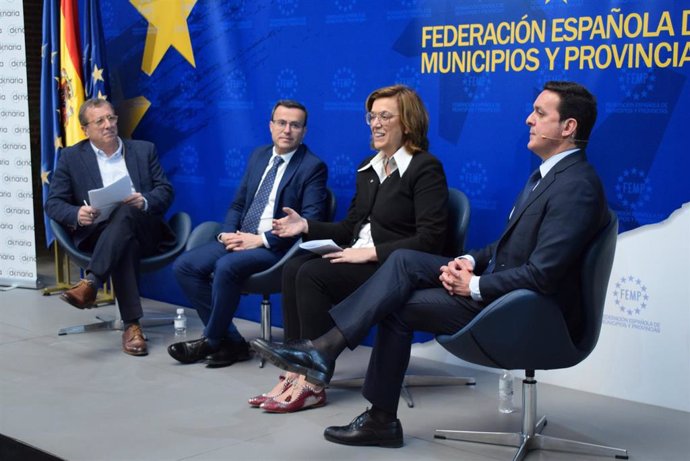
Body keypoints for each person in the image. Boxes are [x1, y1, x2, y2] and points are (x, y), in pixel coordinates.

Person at [251, 81, 609, 447]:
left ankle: (327, 356)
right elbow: (505, 246)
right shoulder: (546, 176)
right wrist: (467, 261)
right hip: (505, 295)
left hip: (534, 314)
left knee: (395, 277)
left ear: (568, 127)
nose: (528, 119)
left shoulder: (576, 185)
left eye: (540, 113)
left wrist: (472, 285)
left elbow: (543, 274)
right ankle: (377, 415)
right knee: (399, 292)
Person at [248, 84, 449, 413]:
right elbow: (350, 227)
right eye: (372, 116)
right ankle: (294, 371)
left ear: (408, 123)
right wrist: (306, 226)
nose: (375, 123)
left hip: (394, 268)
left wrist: (367, 253)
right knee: (295, 266)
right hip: (362, 258)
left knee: (313, 274)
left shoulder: (425, 168)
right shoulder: (369, 167)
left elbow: (430, 240)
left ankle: (313, 382)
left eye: (385, 116)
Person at [168, 100, 328, 368]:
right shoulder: (259, 156)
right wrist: (228, 234)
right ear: (271, 126)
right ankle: (231, 341)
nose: (287, 130)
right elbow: (238, 204)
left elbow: (310, 221)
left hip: (276, 250)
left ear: (304, 131)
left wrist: (262, 239)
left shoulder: (312, 167)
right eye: (281, 123)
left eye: (295, 125)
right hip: (242, 237)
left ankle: (211, 340)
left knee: (225, 266)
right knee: (185, 266)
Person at [45, 98, 176, 357]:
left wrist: (145, 200)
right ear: (85, 129)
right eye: (100, 121)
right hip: (98, 233)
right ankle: (132, 325)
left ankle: (92, 282)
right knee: (125, 242)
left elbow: (165, 190)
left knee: (127, 210)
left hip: (145, 228)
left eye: (112, 118)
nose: (108, 125)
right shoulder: (71, 158)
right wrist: (76, 213)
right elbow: (53, 203)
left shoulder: (142, 150)